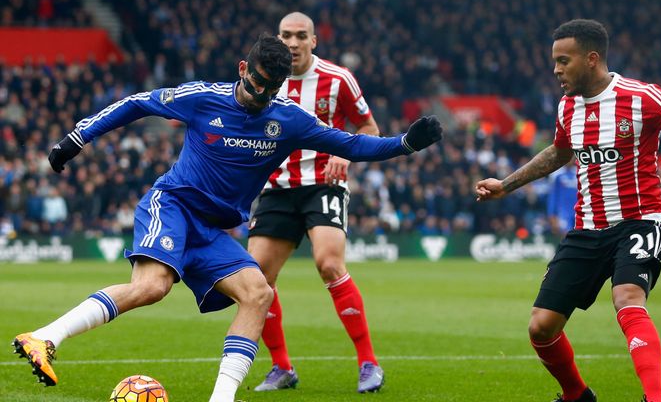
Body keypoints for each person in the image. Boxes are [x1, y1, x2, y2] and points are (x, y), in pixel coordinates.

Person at [12, 34, 442, 402]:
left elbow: (352, 145)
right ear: (242, 68)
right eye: (255, 82)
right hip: (173, 206)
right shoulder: (204, 98)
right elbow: (138, 103)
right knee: (152, 287)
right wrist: (77, 137)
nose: (260, 93)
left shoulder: (289, 119)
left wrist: (405, 142)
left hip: (212, 229)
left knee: (259, 293)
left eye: (270, 87)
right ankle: (46, 337)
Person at [475, 19, 661, 402]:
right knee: (541, 327)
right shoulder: (567, 106)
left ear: (591, 59)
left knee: (627, 297)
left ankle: (654, 399)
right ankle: (577, 396)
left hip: (640, 221)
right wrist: (506, 184)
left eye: (563, 61)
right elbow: (559, 153)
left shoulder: (645, 97)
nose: (556, 70)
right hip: (587, 228)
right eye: (554, 61)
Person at [246, 11, 383, 394]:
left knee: (328, 262)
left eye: (300, 36)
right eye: (286, 35)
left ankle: (369, 363)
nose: (292, 43)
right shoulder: (265, 76)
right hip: (276, 187)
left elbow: (368, 127)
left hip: (324, 182)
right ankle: (281, 367)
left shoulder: (338, 79)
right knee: (258, 278)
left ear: (313, 40)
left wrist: (347, 154)